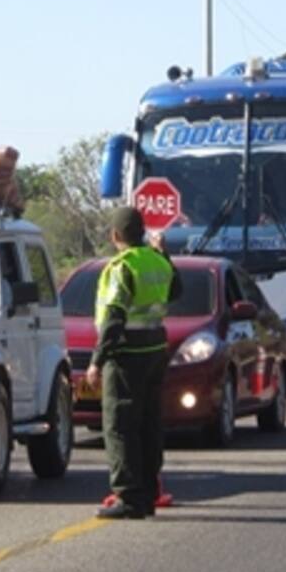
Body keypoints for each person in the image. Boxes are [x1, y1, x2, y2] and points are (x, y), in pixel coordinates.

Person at [85, 207, 182, 519]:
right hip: (155, 351)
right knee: (149, 423)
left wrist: (97, 362)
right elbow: (177, 290)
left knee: (120, 427)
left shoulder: (121, 267)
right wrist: (165, 255)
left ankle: (129, 497)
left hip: (126, 356)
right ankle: (151, 492)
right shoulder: (158, 261)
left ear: (115, 236)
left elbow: (114, 317)